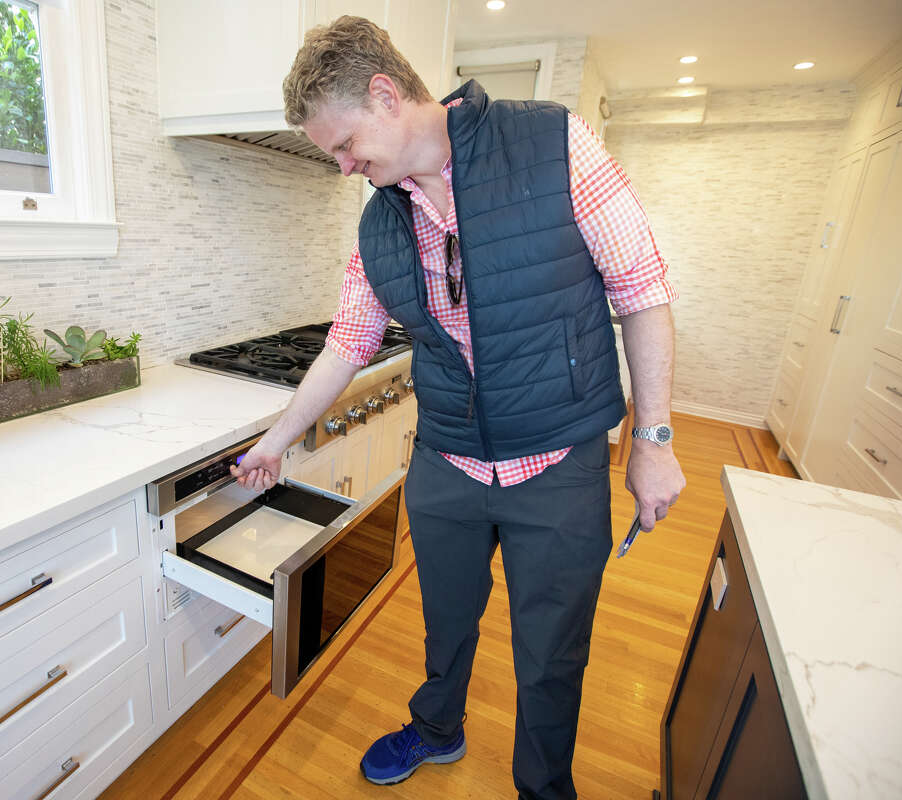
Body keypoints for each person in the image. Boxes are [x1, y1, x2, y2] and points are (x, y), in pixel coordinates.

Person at [231, 15, 685, 800]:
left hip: (558, 461)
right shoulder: (380, 222)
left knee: (552, 651)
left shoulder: (555, 145)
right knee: (446, 622)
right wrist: (276, 441)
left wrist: (652, 441)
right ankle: (439, 730)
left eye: (344, 145)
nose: (342, 167)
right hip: (447, 461)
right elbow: (347, 341)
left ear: (385, 94)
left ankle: (544, 787)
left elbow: (643, 294)